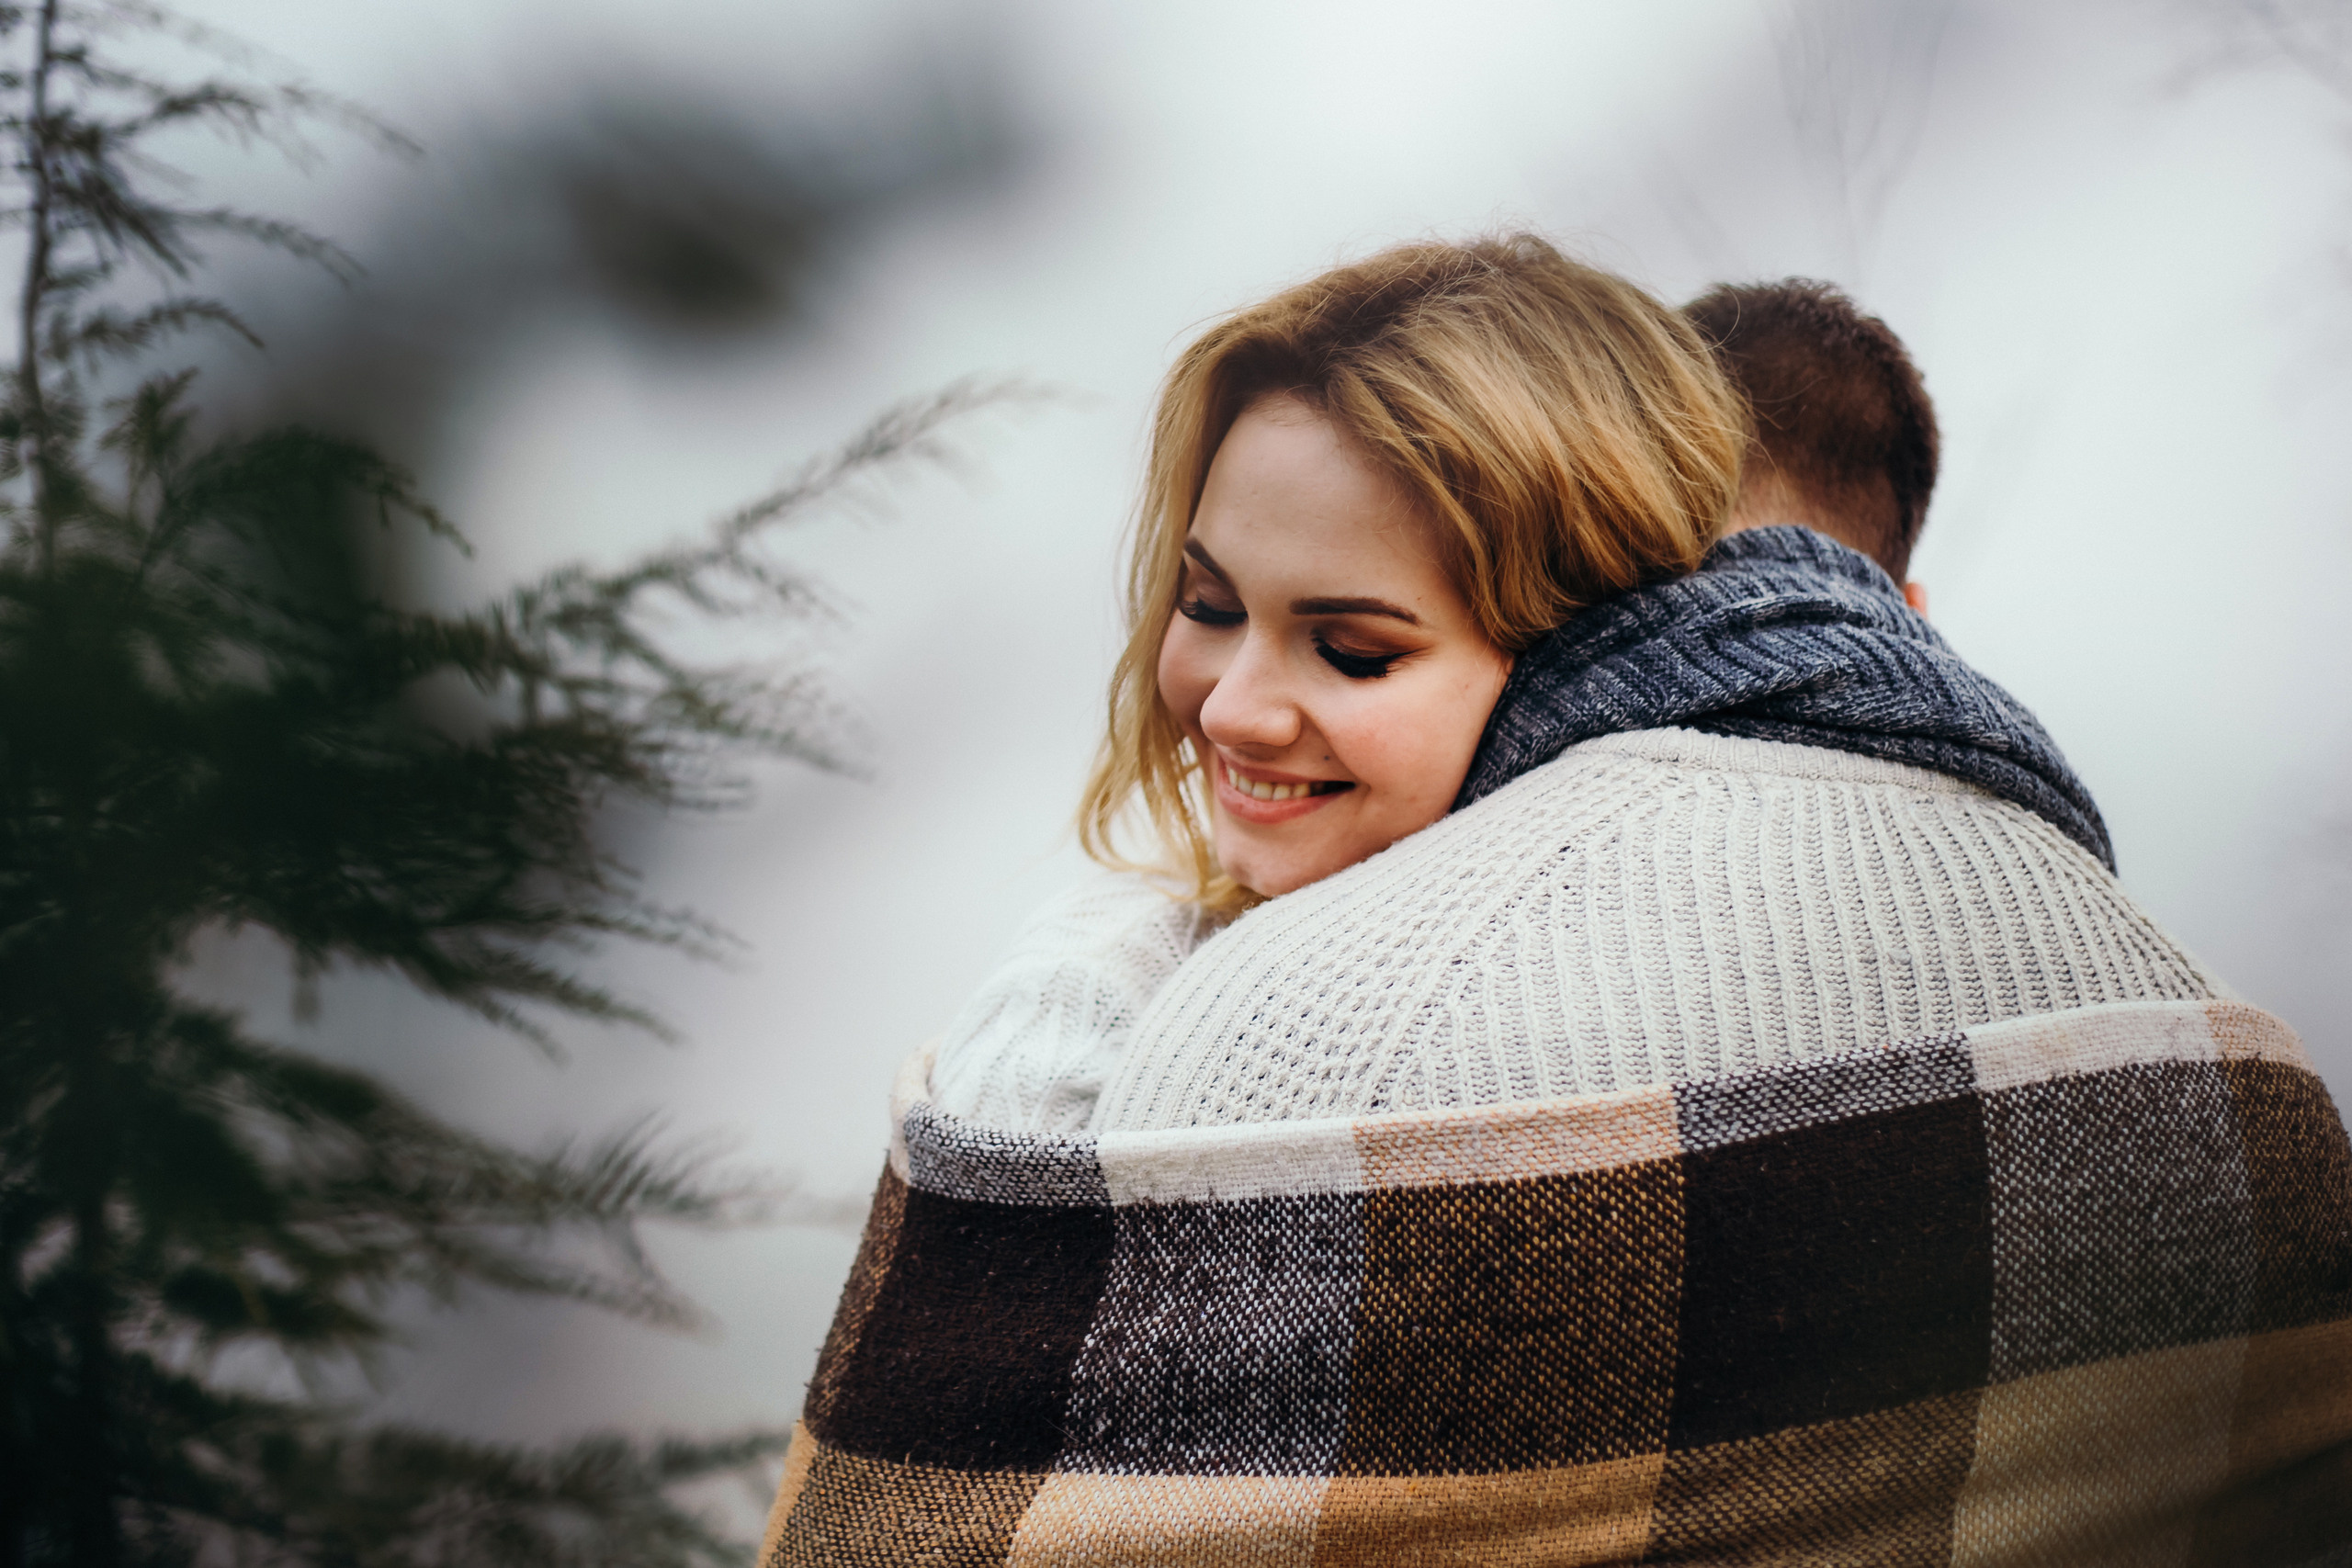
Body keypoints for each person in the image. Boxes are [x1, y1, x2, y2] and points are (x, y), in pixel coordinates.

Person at [765, 243, 2352, 1563]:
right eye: (1205, 605)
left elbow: (911, 1514)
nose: (1236, 706)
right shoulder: (2231, 1055)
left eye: (1357, 649)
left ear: (1576, 614)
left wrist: (1103, 962)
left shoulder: (1287, 1045)